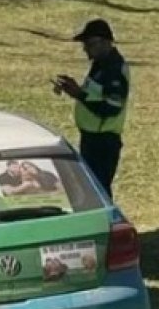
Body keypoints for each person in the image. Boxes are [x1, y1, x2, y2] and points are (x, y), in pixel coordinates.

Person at [52, 18, 131, 199]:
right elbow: (95, 95)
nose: (85, 49)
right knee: (92, 190)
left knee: (98, 192)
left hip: (103, 142)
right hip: (92, 138)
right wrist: (74, 89)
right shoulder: (100, 65)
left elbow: (112, 107)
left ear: (105, 42)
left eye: (89, 44)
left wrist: (79, 94)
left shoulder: (114, 69)